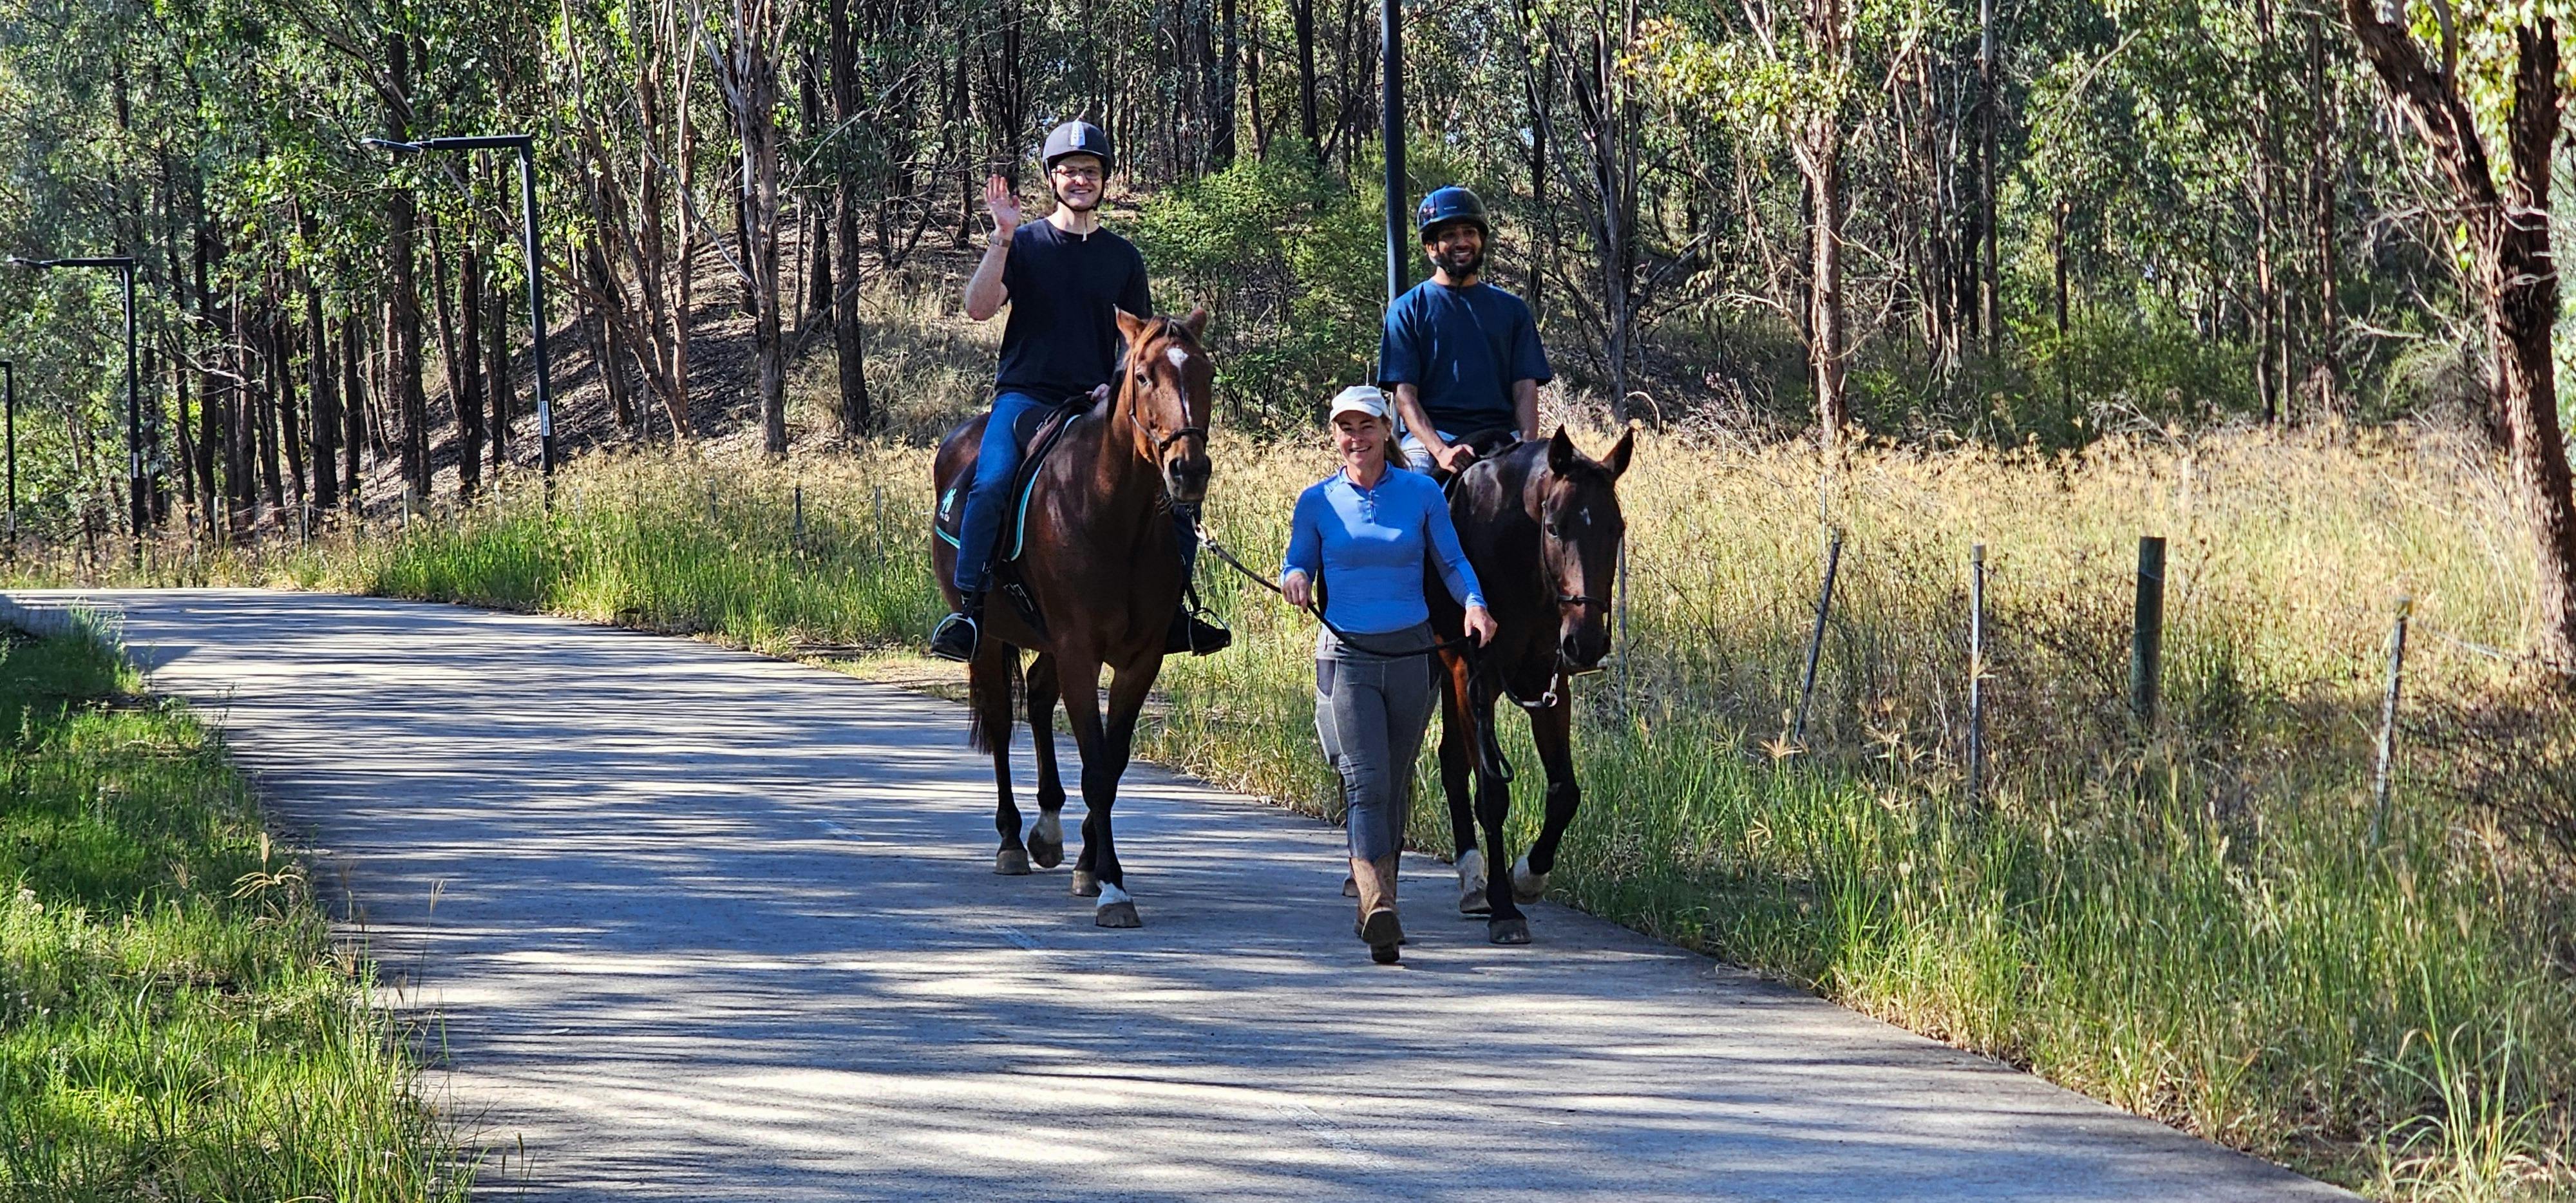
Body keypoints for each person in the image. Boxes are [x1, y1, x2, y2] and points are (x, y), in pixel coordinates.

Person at [932, 120, 1229, 662]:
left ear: (1104, 179)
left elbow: (1138, 344)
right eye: (1068, 171)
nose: (1079, 180)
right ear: (1052, 179)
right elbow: (978, 308)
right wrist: (1000, 235)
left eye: (1089, 171)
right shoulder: (1024, 243)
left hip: (1099, 402)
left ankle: (1177, 612)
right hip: (1027, 397)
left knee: (1171, 494)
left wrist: (1112, 384)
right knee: (993, 480)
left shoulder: (1123, 257)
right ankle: (970, 612)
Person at [1282, 385, 1498, 964]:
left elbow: (1451, 562)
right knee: (1366, 783)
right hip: (1347, 656)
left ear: (1386, 432)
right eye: (1345, 429)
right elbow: (1298, 557)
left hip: (1411, 657)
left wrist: (1474, 603)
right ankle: (1376, 900)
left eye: (1366, 427)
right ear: (1335, 437)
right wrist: (1296, 577)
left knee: (1395, 784)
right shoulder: (1318, 501)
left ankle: (1382, 906)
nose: (1356, 439)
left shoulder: (1421, 493)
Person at [1377, 185, 1552, 476]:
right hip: (1433, 440)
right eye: (1449, 235)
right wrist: (1441, 451)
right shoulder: (1408, 309)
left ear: (1481, 240)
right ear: (1431, 246)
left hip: (1503, 438)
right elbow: (1405, 396)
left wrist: (1528, 447)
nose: (1462, 242)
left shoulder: (1512, 310)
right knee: (1410, 496)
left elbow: (1525, 388)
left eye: (1469, 233)